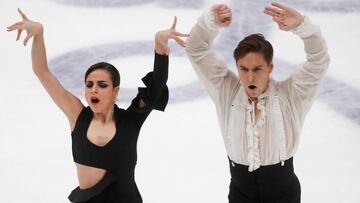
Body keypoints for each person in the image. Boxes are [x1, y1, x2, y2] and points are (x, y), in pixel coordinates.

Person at [7, 8, 188, 203]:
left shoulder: (130, 120)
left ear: (115, 91)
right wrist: (39, 33)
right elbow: (42, 71)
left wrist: (160, 46)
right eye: (89, 84)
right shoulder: (76, 114)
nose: (94, 89)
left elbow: (156, 87)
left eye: (102, 85)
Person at [185, 2, 329, 202]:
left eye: (257, 69)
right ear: (236, 67)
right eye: (244, 69)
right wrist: (209, 23)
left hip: (284, 195)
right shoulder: (226, 90)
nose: (250, 78)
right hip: (240, 193)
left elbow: (318, 61)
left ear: (270, 67)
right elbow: (196, 50)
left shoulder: (292, 93)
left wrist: (302, 26)